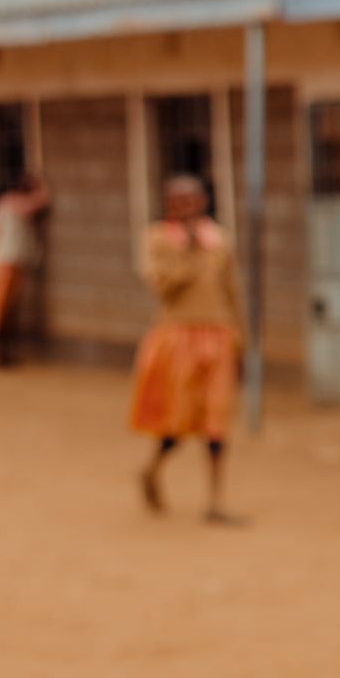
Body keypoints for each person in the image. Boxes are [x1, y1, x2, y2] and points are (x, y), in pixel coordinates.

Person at [130, 174, 243, 523]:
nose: (185, 209)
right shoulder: (159, 240)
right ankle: (152, 470)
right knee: (176, 419)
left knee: (217, 420)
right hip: (177, 338)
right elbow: (164, 287)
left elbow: (231, 291)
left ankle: (215, 501)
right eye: (177, 203)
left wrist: (240, 340)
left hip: (219, 337)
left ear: (203, 202)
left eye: (191, 201)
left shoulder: (220, 240)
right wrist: (189, 251)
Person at [0, 171, 48, 360]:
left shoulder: (2, 206)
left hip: (11, 260)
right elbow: (42, 200)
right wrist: (41, 187)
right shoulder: (10, 202)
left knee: (6, 308)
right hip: (5, 260)